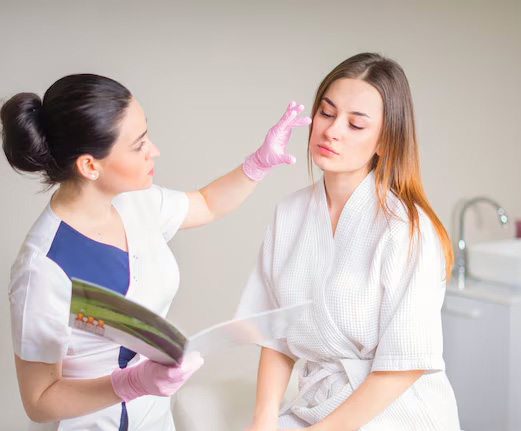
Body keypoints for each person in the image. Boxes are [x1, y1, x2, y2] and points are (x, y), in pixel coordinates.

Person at [1, 73, 311, 431]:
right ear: (90, 165)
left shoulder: (136, 203)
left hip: (156, 419)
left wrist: (257, 163)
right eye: (138, 145)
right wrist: (131, 383)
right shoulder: (42, 269)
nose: (154, 150)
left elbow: (206, 203)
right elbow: (39, 401)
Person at [236, 53, 461, 430]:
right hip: (320, 406)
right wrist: (263, 420)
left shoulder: (406, 229)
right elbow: (275, 335)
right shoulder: (288, 214)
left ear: (385, 141)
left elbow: (403, 366)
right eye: (326, 113)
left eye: (356, 124)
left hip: (397, 412)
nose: (332, 131)